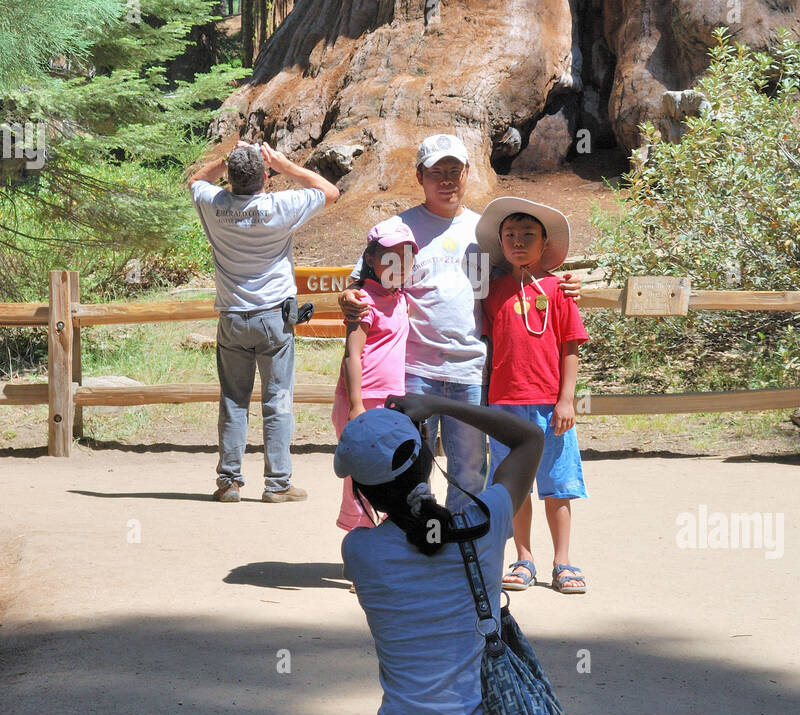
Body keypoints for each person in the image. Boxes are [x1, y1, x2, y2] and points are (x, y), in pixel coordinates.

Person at [329, 393, 546, 715]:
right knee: (500, 710)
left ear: (363, 488)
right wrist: (438, 406)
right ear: (428, 461)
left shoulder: (359, 551)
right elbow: (529, 438)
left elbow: (412, 530)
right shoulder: (485, 522)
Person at [338, 132, 588, 509]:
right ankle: (414, 548)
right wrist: (346, 294)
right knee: (409, 465)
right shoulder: (399, 230)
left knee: (470, 469)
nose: (447, 179)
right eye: (436, 171)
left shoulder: (486, 233)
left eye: (455, 170)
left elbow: (525, 273)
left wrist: (567, 281)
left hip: (471, 370)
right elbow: (362, 282)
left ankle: (460, 555)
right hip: (414, 370)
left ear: (468, 173)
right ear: (420, 176)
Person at [189, 141, 339, 502]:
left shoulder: (215, 204)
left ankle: (229, 481)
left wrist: (223, 162)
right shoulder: (279, 206)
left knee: (234, 399)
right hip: (274, 317)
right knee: (278, 399)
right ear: (265, 177)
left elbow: (196, 180)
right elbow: (330, 192)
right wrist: (285, 164)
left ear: (231, 177)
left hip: (232, 317)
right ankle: (277, 483)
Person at [476, 197, 590, 594]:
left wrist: (566, 399)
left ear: (546, 243)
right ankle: (524, 557)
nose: (518, 241)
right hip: (504, 404)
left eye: (528, 235)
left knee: (557, 485)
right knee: (515, 484)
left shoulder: (560, 291)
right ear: (500, 242)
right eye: (510, 235)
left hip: (548, 404)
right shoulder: (492, 290)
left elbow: (570, 346)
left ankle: (564, 561)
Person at [331, 220, 417, 531]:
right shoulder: (363, 300)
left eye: (406, 257)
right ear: (370, 259)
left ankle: (383, 553)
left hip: (388, 403)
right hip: (362, 401)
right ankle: (360, 555)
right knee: (363, 478)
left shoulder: (400, 297)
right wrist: (356, 406)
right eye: (390, 257)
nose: (400, 264)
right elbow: (352, 354)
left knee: (389, 475)